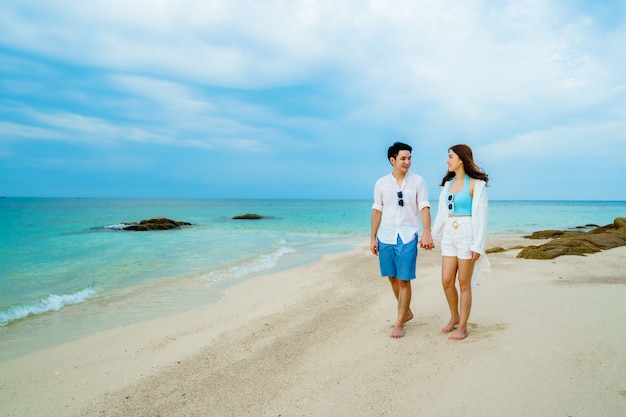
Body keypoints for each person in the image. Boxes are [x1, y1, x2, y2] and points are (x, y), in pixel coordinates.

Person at [371, 142, 434, 339]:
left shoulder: (418, 181)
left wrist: (427, 232)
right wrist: (372, 237)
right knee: (392, 277)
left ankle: (399, 323)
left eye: (409, 158)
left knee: (404, 279)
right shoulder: (381, 183)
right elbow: (377, 210)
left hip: (408, 235)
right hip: (386, 236)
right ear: (392, 160)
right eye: (403, 159)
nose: (407, 162)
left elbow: (424, 206)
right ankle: (406, 312)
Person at [432, 144, 490, 340]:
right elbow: (442, 214)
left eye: (450, 156)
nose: (448, 160)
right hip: (450, 233)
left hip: (467, 234)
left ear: (461, 159)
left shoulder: (475, 184)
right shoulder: (447, 185)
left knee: (464, 283)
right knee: (447, 281)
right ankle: (454, 316)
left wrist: (478, 245)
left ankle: (463, 326)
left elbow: (481, 216)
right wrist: (433, 236)